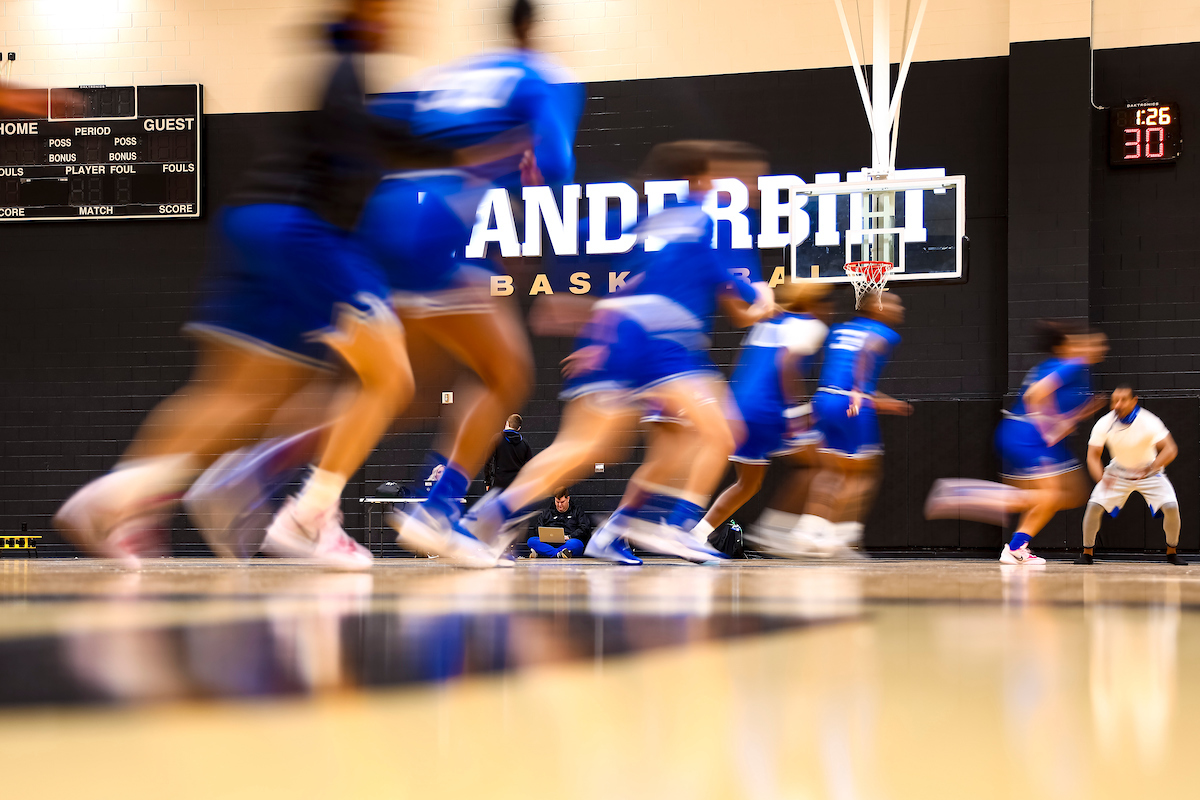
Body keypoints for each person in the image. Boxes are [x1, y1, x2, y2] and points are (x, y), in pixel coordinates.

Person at [54, 1, 445, 569]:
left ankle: (117, 501)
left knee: (243, 392)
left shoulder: (339, 71)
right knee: (390, 377)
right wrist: (461, 141)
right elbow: (365, 140)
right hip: (302, 230)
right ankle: (310, 516)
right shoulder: (348, 72)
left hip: (251, 222)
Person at [464, 140, 776, 564]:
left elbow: (591, 250)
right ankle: (676, 524)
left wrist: (588, 322)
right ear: (702, 178)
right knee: (722, 431)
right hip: (665, 339)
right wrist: (762, 298)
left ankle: (498, 514)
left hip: (620, 332)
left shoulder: (645, 219)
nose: (748, 185)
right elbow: (740, 305)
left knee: (592, 446)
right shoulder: (706, 219)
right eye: (742, 176)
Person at [359, 0, 585, 564]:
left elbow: (379, 119)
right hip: (437, 216)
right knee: (506, 373)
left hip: (378, 208)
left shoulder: (448, 75)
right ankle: (437, 510)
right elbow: (553, 164)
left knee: (402, 387)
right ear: (535, 30)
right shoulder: (546, 77)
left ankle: (272, 481)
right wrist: (536, 252)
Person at [925, 321, 1108, 565]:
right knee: (1050, 496)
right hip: (1029, 438)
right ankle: (964, 495)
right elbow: (1036, 395)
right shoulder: (1072, 364)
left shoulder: (1062, 366)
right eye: (1094, 342)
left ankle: (1016, 545)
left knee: (1070, 493)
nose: (1100, 347)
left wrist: (1079, 413)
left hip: (1027, 437)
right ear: (1074, 345)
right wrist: (1052, 425)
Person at [691, 281, 831, 550]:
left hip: (738, 410)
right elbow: (786, 363)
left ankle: (697, 534)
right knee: (817, 466)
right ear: (817, 303)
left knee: (748, 483)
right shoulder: (811, 325)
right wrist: (797, 412)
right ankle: (789, 533)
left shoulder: (766, 323)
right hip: (770, 410)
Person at [775, 289, 912, 557]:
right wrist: (865, 393)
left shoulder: (839, 330)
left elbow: (841, 370)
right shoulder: (884, 333)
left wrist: (885, 401)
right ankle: (839, 538)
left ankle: (807, 530)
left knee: (832, 471)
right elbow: (865, 355)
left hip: (823, 400)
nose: (900, 309)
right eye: (894, 304)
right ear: (877, 307)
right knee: (864, 474)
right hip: (851, 404)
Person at [1077, 385, 1183, 565]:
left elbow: (1170, 449)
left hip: (1148, 471)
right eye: (1114, 401)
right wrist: (1102, 479)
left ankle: (1171, 552)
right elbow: (1093, 456)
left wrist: (1151, 468)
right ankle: (1087, 553)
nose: (1117, 404)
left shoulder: (1149, 421)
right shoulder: (1104, 422)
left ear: (1134, 401)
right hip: (1117, 473)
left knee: (1171, 508)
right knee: (1094, 507)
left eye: (1123, 400)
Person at [527, 488, 592, 558]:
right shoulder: (548, 512)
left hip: (568, 542)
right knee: (531, 541)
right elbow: (537, 527)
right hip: (549, 543)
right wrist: (545, 536)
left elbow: (584, 528)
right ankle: (559, 554)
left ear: (568, 499)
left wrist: (570, 536)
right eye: (557, 502)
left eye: (562, 502)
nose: (560, 505)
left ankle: (548, 552)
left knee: (578, 544)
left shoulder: (577, 511)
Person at [484, 414, 534, 491]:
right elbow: (530, 466)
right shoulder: (524, 443)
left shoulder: (496, 439)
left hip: (499, 485)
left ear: (507, 423)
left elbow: (488, 462)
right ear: (519, 428)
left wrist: (488, 482)